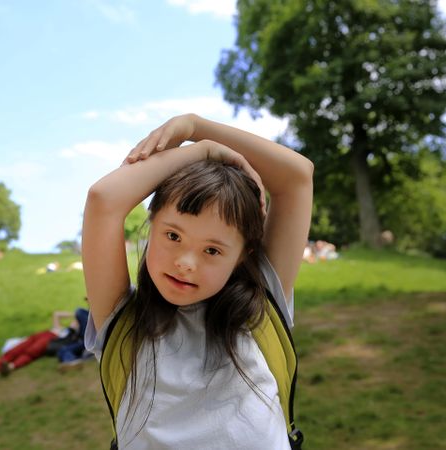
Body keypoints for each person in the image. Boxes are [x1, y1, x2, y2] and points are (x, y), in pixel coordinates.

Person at [82, 114, 313, 449]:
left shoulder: (262, 303)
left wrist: (194, 126)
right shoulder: (122, 319)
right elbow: (103, 199)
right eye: (173, 235)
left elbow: (297, 176)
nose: (186, 263)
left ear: (243, 254)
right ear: (152, 223)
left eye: (212, 250)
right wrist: (202, 151)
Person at [0, 307, 90, 377]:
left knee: (31, 351)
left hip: (49, 339)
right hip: (43, 335)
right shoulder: (60, 329)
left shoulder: (71, 334)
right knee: (17, 349)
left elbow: (81, 327)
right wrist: (73, 314)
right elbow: (56, 314)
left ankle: (9, 366)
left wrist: (75, 323)